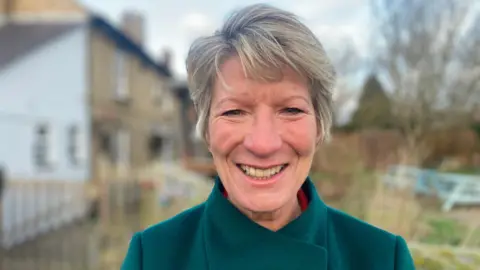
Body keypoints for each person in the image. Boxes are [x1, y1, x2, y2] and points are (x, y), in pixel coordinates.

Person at [121, 4, 415, 270]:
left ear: (320, 128)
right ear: (207, 131)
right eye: (235, 112)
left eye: (290, 109)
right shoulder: (153, 257)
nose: (263, 144)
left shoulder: (382, 258)